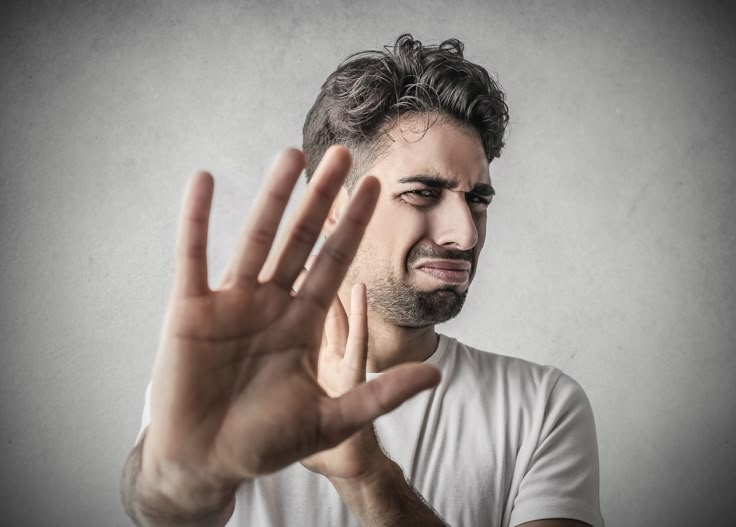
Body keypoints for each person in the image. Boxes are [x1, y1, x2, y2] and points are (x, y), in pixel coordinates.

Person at [120, 34, 604, 527]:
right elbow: (160, 507)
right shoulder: (234, 373)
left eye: (477, 199)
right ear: (334, 209)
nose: (464, 234)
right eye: (422, 193)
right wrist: (182, 475)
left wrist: (367, 476)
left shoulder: (541, 406)